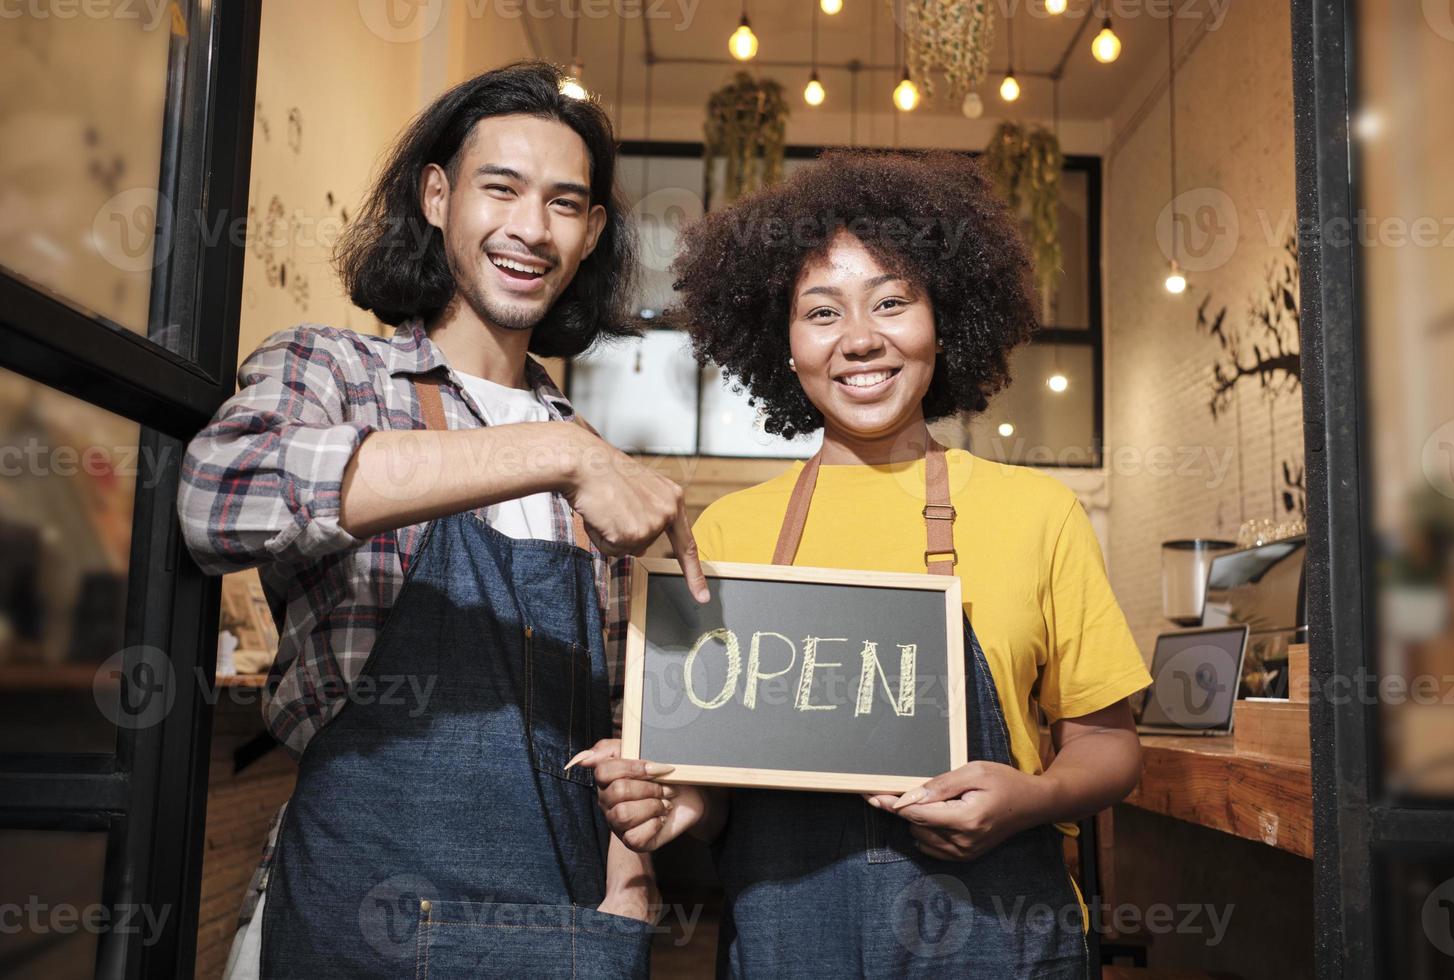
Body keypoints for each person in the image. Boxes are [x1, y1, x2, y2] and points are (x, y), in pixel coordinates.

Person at [179, 62, 708, 980]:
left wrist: (635, 876)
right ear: (436, 195)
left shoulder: (599, 472)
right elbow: (219, 494)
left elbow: (632, 719)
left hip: (556, 932)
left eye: (565, 204)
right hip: (352, 914)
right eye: (500, 187)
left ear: (590, 236)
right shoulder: (337, 373)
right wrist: (558, 454)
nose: (530, 229)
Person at [573, 150, 1153, 977]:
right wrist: (670, 804)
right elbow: (714, 783)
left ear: (942, 319)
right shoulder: (730, 535)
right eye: (821, 313)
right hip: (790, 946)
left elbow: (1110, 749)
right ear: (783, 342)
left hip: (997, 940)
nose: (860, 340)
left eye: (891, 301)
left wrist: (1030, 799)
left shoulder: (1041, 515)